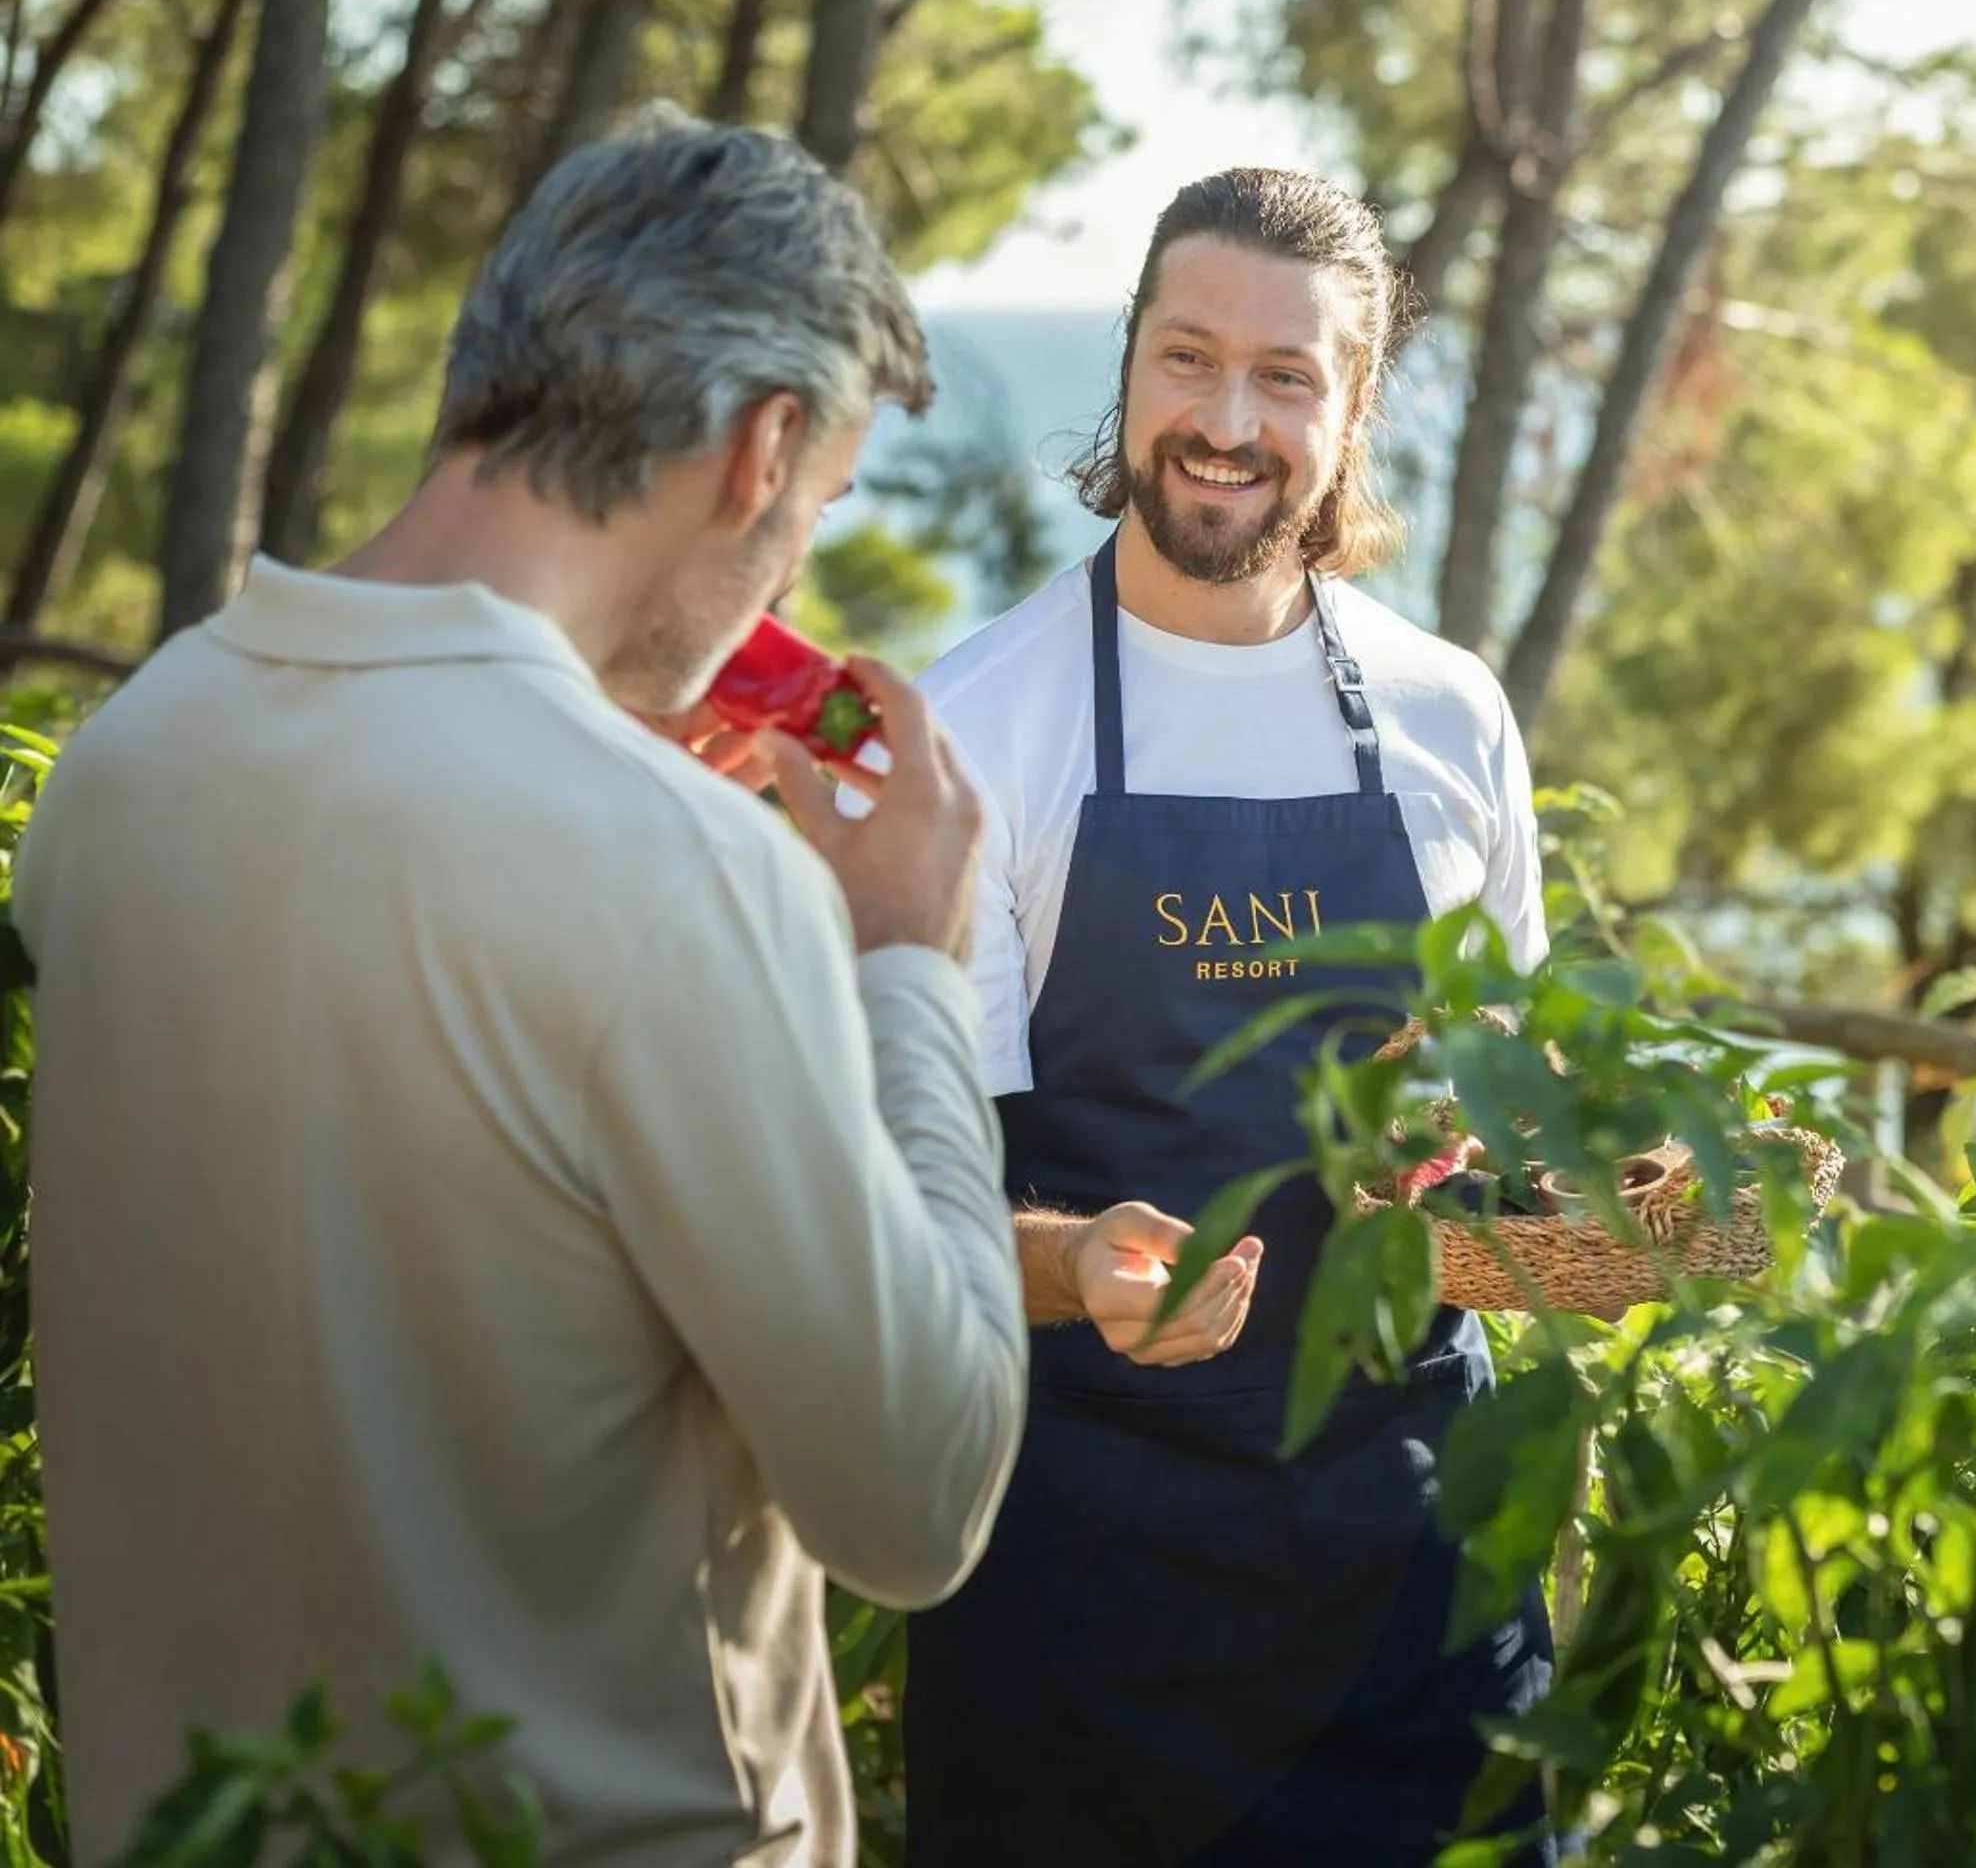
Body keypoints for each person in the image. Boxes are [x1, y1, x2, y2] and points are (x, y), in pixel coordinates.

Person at [15, 110, 1027, 1866]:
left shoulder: (128, 761)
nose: (793, 565)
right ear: (760, 446)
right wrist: (901, 968)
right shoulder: (671, 874)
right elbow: (917, 1499)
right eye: (822, 503)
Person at [900, 168, 1557, 1866]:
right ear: (1128, 370)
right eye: (1189, 356)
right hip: (1082, 1597)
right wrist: (1075, 1268)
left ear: (1351, 416)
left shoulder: (1448, 718)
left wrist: (1606, 1230)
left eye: (1288, 376)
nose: (1226, 418)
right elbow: (905, 1203)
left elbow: (1489, 1145)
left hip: (1417, 1579)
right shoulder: (980, 727)